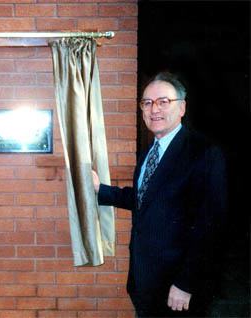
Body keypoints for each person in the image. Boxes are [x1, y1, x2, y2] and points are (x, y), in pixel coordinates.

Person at [92, 72, 227, 317]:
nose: (154, 109)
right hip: (144, 280)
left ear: (182, 107)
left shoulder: (203, 153)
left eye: (163, 101)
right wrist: (101, 190)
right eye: (147, 103)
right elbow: (146, 200)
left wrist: (186, 283)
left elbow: (210, 225)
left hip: (177, 288)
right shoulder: (149, 153)